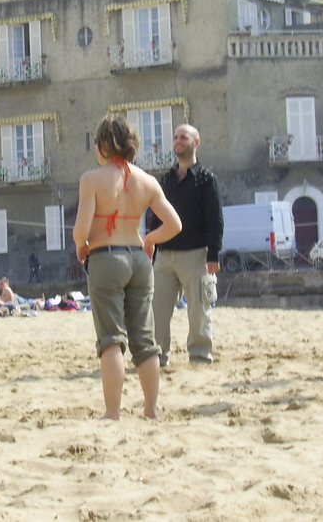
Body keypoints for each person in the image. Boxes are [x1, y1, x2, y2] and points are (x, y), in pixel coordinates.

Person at [73, 113, 182, 420]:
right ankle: (151, 407)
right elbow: (174, 224)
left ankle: (112, 411)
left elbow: (81, 230)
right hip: (138, 258)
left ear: (105, 144)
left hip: (106, 257)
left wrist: (82, 246)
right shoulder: (147, 181)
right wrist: (150, 240)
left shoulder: (92, 179)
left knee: (111, 339)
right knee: (145, 341)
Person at [150, 124, 224, 367]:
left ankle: (200, 356)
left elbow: (215, 219)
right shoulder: (167, 179)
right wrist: (151, 247)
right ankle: (158, 356)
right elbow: (156, 216)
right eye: (176, 137)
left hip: (196, 255)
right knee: (157, 309)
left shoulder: (206, 179)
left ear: (196, 142)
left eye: (184, 137)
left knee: (199, 310)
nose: (178, 141)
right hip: (165, 255)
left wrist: (213, 254)